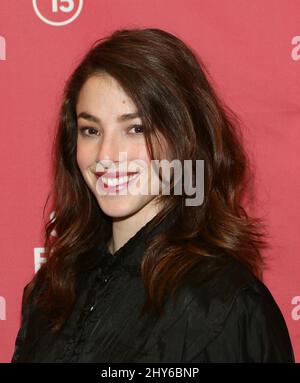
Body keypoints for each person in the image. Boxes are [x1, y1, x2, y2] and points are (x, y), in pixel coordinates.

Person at [11, 27, 294, 363]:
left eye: (136, 128)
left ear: (183, 138)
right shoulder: (53, 288)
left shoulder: (225, 303)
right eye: (91, 130)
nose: (106, 153)